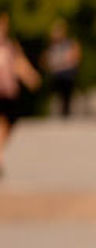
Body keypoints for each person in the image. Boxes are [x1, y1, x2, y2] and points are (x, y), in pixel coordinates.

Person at [0, 11, 41, 180]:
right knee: (1, 126)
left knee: (8, 129)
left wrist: (31, 77)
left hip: (9, 93)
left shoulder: (10, 47)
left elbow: (19, 65)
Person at [44, 19, 80, 118]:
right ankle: (59, 114)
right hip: (57, 76)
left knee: (67, 98)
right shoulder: (52, 46)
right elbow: (47, 61)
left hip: (67, 75)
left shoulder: (69, 44)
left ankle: (66, 115)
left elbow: (74, 58)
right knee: (57, 98)